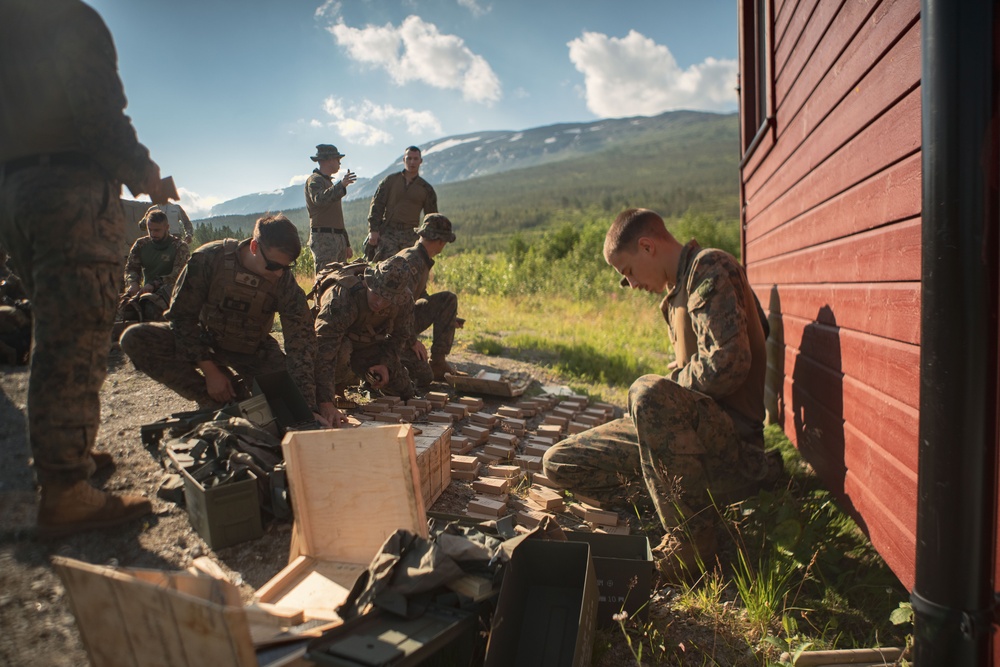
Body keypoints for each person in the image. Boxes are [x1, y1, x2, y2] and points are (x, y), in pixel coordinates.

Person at [0, 0, 173, 537]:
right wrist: (145, 174)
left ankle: (66, 448)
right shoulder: (66, 18)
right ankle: (66, 488)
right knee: (76, 330)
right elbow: (99, 116)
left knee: (54, 323)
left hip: (16, 192)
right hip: (68, 193)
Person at [541, 208, 772, 580]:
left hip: (732, 442)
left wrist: (676, 383)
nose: (630, 285)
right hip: (691, 435)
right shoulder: (678, 290)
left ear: (647, 246)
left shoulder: (709, 268)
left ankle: (693, 542)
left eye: (628, 272)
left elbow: (731, 362)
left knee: (646, 392)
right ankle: (691, 502)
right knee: (561, 462)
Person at [120, 214, 326, 423]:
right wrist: (210, 372)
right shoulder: (210, 258)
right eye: (273, 266)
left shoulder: (284, 282)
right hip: (206, 343)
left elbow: (302, 342)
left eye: (287, 267)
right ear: (254, 247)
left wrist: (308, 406)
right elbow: (182, 318)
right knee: (136, 338)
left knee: (289, 409)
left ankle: (239, 395)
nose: (280, 274)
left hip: (253, 350)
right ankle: (212, 399)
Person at [313, 256, 417, 427]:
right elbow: (323, 350)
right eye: (376, 293)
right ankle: (336, 389)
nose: (379, 302)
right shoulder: (342, 297)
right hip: (337, 347)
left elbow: (400, 337)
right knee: (343, 351)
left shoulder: (403, 301)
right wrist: (324, 402)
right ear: (367, 282)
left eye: (387, 299)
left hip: (367, 346)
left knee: (404, 391)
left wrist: (385, 364)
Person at [395, 213, 460, 387]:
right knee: (423, 376)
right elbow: (399, 307)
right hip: (391, 328)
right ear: (439, 241)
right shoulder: (413, 261)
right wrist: (411, 341)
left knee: (447, 301)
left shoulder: (421, 258)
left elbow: (419, 296)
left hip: (403, 320)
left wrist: (447, 317)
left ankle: (438, 362)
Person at [365, 146, 438, 262]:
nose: (412, 162)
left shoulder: (426, 189)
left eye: (415, 159)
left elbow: (431, 217)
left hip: (411, 235)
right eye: (409, 158)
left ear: (420, 161)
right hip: (388, 233)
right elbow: (377, 205)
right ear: (404, 160)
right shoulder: (390, 181)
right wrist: (373, 230)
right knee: (384, 269)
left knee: (409, 271)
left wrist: (430, 240)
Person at [120, 207, 191, 321]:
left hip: (172, 294)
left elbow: (178, 275)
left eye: (157, 230)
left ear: (167, 228)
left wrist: (155, 284)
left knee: (153, 311)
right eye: (150, 230)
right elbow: (131, 268)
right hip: (146, 292)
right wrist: (132, 283)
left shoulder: (179, 247)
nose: (153, 234)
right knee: (121, 309)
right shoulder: (141, 244)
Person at [305, 144, 357, 268]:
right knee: (325, 279)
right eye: (338, 159)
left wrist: (346, 243)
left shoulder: (328, 182)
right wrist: (341, 186)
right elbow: (319, 199)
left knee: (340, 280)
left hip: (337, 238)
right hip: (323, 239)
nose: (340, 163)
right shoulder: (315, 180)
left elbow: (337, 217)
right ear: (328, 160)